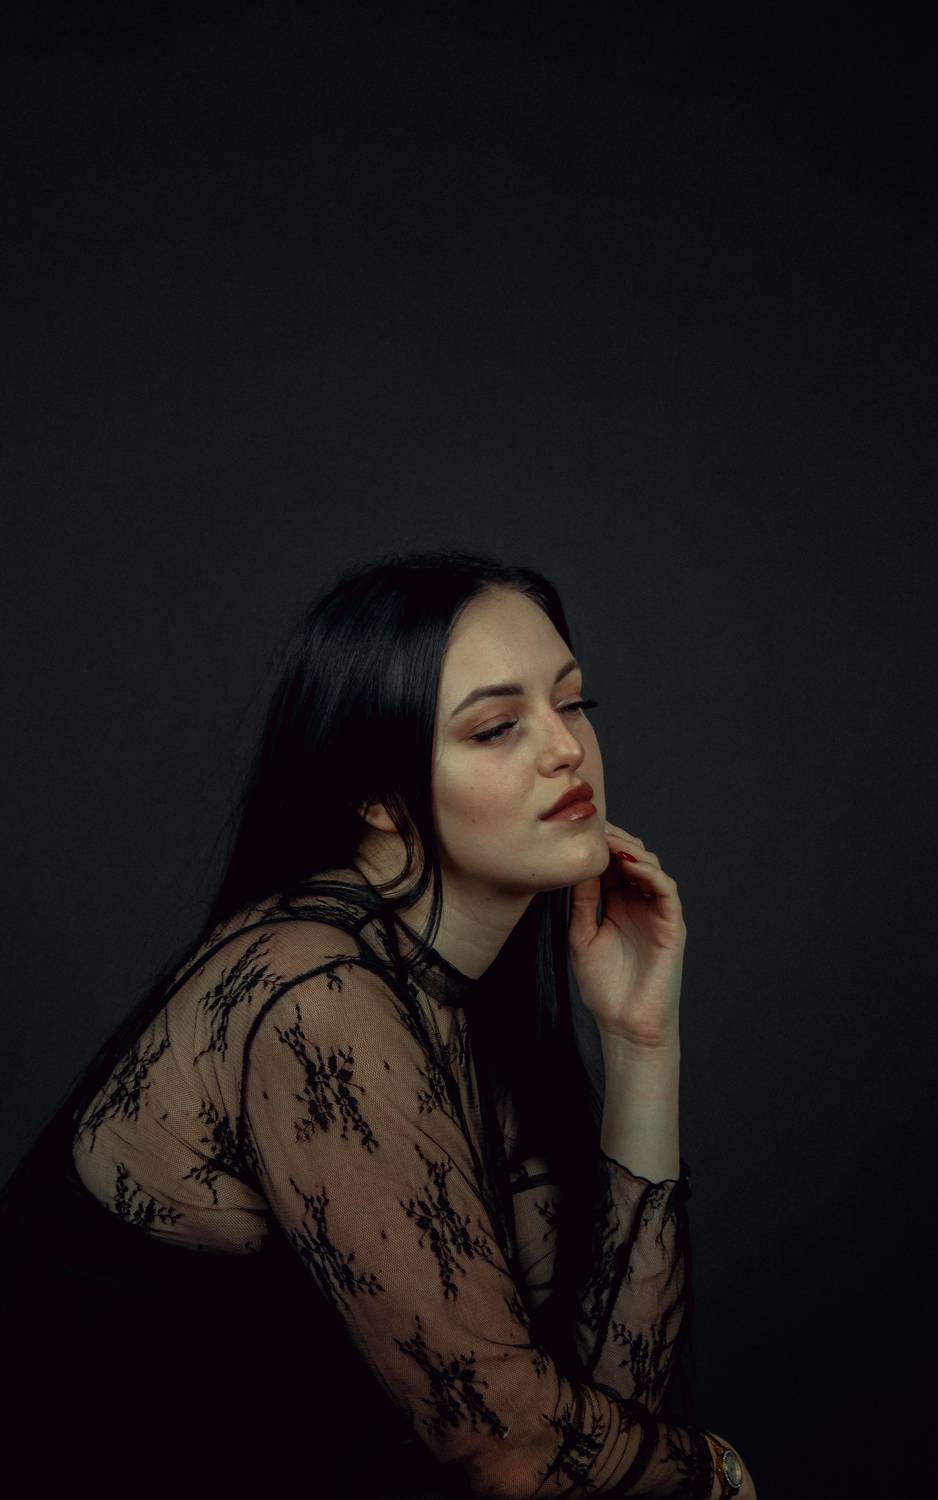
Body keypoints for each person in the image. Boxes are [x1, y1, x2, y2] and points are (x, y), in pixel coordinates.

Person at [0, 549, 756, 1499]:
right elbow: (517, 1454)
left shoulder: (450, 999)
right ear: (377, 794)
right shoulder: (312, 992)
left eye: (572, 704)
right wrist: (720, 1475)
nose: (565, 749)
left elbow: (598, 1404)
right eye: (496, 727)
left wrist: (640, 1045)